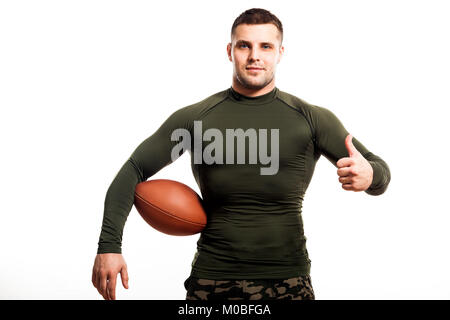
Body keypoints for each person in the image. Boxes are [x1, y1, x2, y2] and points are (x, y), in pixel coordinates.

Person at [91, 8, 391, 300]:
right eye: (244, 45)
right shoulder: (196, 118)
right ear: (229, 50)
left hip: (288, 280)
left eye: (266, 46)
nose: (254, 56)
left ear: (280, 52)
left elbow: (379, 171)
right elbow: (134, 168)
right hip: (212, 280)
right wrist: (109, 246)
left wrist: (371, 175)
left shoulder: (311, 118)